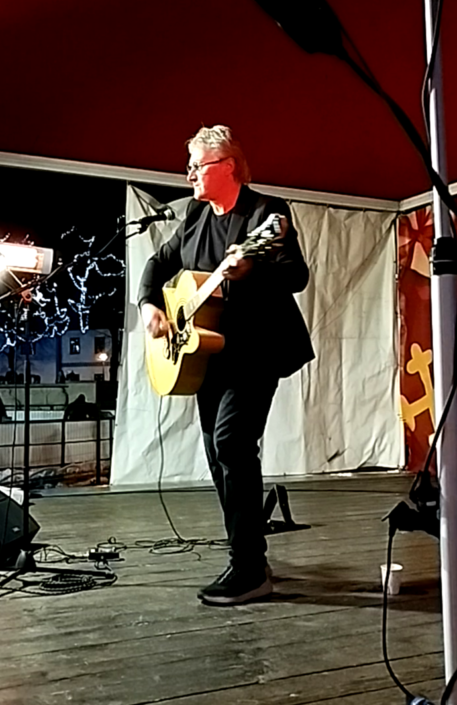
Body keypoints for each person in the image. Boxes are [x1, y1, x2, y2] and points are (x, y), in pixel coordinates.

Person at [138, 125, 314, 606]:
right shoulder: (195, 216)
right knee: (220, 455)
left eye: (197, 165)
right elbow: (158, 263)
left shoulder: (266, 213)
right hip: (208, 355)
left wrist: (252, 268)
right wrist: (149, 305)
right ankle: (248, 554)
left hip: (256, 350)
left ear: (228, 167)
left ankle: (250, 568)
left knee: (232, 442)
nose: (189, 174)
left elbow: (296, 275)